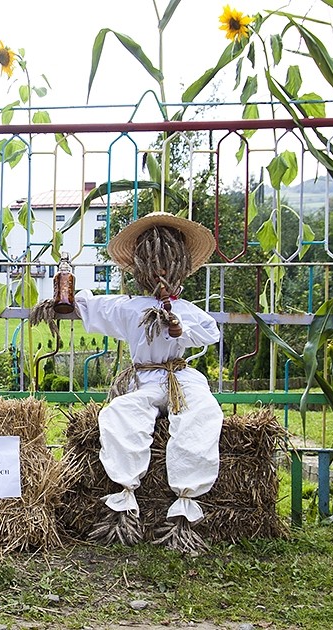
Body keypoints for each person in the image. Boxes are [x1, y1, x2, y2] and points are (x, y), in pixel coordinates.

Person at [76, 212, 221, 552]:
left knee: (202, 414)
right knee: (121, 415)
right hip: (143, 378)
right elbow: (89, 306)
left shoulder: (185, 309)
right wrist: (63, 298)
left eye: (168, 263)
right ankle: (124, 498)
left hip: (179, 377)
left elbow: (208, 332)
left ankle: (185, 506)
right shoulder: (131, 307)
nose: (161, 272)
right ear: (141, 266)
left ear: (180, 265)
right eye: (154, 263)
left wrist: (180, 329)